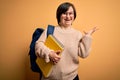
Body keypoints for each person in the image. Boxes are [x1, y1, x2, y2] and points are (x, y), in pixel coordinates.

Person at [35, 2, 98, 80]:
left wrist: (87, 37)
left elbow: (83, 54)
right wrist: (49, 53)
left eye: (70, 13)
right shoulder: (50, 30)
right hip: (49, 78)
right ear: (59, 15)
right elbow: (38, 45)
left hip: (71, 77)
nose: (68, 16)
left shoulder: (77, 34)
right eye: (64, 13)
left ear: (74, 15)